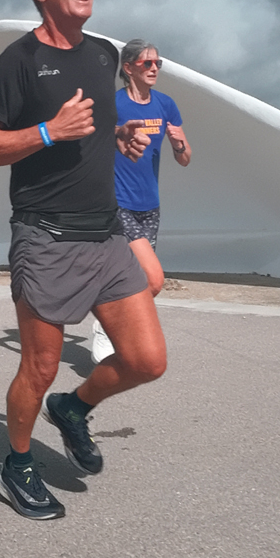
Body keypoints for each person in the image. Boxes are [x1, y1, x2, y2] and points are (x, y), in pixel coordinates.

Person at [0, 0, 164, 521]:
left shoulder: (103, 54)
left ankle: (73, 409)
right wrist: (48, 130)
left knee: (146, 360)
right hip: (45, 236)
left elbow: (92, 124)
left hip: (105, 233)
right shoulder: (18, 61)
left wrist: (117, 133)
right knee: (40, 366)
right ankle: (17, 463)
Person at [91, 39, 193, 363]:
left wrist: (178, 145)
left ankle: (109, 319)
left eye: (157, 64)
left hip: (150, 205)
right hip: (118, 201)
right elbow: (90, 142)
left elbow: (186, 158)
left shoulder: (166, 105)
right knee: (153, 278)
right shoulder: (114, 103)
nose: (154, 69)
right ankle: (107, 326)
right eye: (147, 63)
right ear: (129, 67)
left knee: (136, 279)